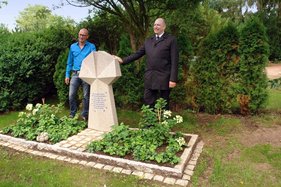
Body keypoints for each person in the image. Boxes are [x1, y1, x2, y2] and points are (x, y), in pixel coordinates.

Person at [115, 18, 179, 109]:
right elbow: (138, 54)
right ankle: (149, 123)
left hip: (164, 77)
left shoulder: (171, 40)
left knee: (163, 103)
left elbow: (175, 60)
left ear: (164, 27)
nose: (156, 27)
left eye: (158, 25)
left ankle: (163, 122)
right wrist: (123, 60)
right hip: (150, 77)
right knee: (148, 101)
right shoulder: (148, 41)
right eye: (155, 25)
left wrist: (173, 79)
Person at [65, 28, 96, 120]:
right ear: (78, 35)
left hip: (87, 74)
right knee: (71, 95)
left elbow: (95, 60)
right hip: (75, 74)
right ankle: (72, 113)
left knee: (86, 95)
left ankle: (85, 114)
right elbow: (69, 62)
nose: (81, 36)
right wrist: (67, 74)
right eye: (80, 34)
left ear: (87, 36)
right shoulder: (73, 47)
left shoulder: (91, 46)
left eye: (83, 35)